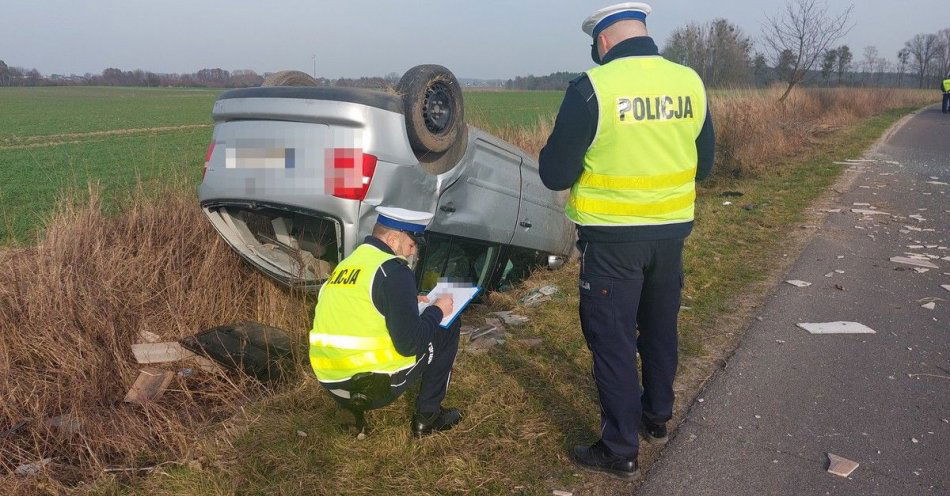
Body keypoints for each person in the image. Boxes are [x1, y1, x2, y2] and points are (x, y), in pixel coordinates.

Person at [538, 2, 715, 479]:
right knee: (659, 329)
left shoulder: (593, 89)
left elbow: (555, 174)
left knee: (613, 341)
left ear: (603, 40)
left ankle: (619, 448)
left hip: (613, 243)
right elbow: (707, 163)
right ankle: (656, 417)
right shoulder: (689, 82)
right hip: (671, 234)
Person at [309, 206, 462, 437]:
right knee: (448, 325)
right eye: (411, 245)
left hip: (331, 382)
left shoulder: (345, 266)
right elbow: (410, 344)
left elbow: (359, 311)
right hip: (373, 387)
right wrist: (438, 310)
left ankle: (351, 411)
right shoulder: (394, 270)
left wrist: (408, 300)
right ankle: (428, 416)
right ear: (393, 238)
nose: (411, 253)